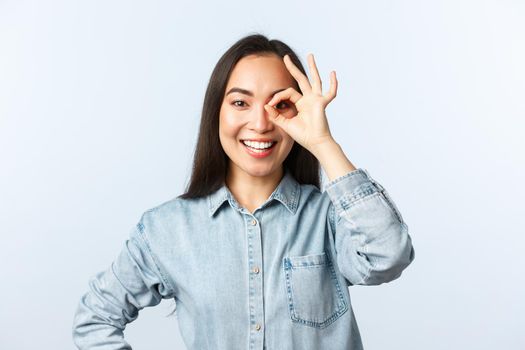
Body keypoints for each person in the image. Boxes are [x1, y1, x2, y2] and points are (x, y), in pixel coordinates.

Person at [72, 33, 415, 350]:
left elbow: (389, 255)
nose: (261, 123)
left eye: (279, 104)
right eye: (240, 103)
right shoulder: (167, 229)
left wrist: (322, 143)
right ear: (216, 113)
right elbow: (95, 320)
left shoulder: (329, 220)